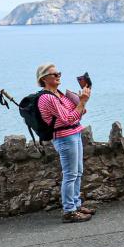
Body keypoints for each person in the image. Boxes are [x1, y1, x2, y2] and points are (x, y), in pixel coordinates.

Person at [35, 63, 93, 223]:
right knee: (70, 175)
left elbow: (78, 114)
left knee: (78, 172)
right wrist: (81, 103)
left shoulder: (59, 93)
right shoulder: (47, 98)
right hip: (64, 137)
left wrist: (81, 103)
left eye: (58, 73)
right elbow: (67, 118)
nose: (58, 76)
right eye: (54, 74)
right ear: (44, 79)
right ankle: (69, 211)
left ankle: (76, 205)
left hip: (74, 133)